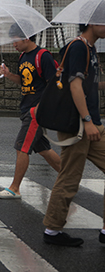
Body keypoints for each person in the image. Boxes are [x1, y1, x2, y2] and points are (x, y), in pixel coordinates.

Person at [42, 24, 105, 247]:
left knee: (69, 176)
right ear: (94, 23)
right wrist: (87, 121)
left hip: (92, 124)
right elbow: (75, 87)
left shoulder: (90, 48)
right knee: (69, 178)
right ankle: (52, 230)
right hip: (79, 125)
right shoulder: (79, 48)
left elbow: (87, 85)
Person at [0, 26, 61, 199]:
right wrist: (8, 74)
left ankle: (14, 188)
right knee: (43, 149)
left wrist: (40, 108)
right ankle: (69, 178)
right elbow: (24, 82)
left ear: (26, 38)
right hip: (27, 108)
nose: (13, 44)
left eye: (15, 40)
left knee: (21, 147)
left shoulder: (43, 56)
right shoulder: (23, 57)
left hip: (36, 112)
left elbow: (54, 85)